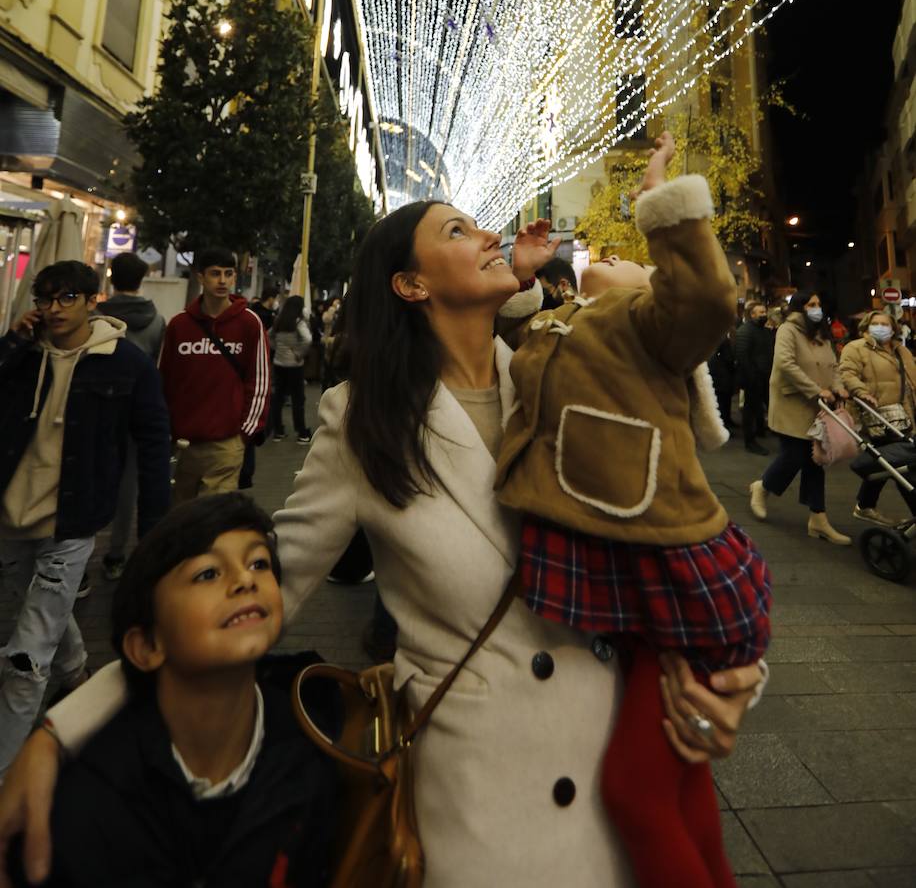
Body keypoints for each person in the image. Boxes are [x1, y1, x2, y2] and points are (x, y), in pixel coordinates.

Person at [0, 213, 765, 888]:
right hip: (483, 812)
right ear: (409, 284)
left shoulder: (565, 375)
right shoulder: (364, 420)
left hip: (623, 795)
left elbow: (674, 536)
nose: (491, 235)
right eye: (459, 232)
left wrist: (730, 680)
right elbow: (266, 584)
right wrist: (65, 727)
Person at [494, 134, 771, 888]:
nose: (609, 254)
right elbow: (520, 334)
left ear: (652, 290)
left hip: (669, 565)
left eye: (632, 259)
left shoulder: (651, 329)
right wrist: (522, 277)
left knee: (635, 790)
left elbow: (708, 296)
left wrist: (662, 197)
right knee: (684, 786)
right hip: (631, 569)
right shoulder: (566, 325)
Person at [9, 493, 335, 887]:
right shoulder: (86, 806)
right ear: (146, 646)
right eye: (207, 573)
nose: (246, 579)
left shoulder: (310, 751)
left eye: (259, 563)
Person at [0, 260, 171, 777]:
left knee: (26, 656)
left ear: (92, 300)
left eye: (66, 298)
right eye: (46, 297)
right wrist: (11, 342)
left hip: (73, 520)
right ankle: (77, 672)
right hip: (10, 515)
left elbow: (154, 439)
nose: (53, 309)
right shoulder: (24, 352)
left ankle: (5, 771)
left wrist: (155, 531)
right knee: (40, 608)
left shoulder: (124, 363)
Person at [158, 248, 270, 502]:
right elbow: (165, 379)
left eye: (228, 274)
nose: (222, 280)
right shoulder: (179, 325)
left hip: (226, 444)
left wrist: (244, 434)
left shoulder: (249, 323)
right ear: (201, 277)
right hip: (183, 444)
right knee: (181, 517)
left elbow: (260, 382)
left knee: (213, 517)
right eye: (215, 274)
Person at [750, 290, 851, 544]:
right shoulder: (788, 330)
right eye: (811, 304)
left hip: (819, 406)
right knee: (794, 455)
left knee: (816, 459)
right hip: (793, 404)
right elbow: (786, 364)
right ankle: (762, 487)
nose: (817, 308)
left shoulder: (821, 334)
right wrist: (816, 390)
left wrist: (838, 386)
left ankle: (818, 518)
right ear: (799, 307)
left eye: (818, 303)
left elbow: (833, 366)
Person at [98, 253, 167, 581]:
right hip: (139, 409)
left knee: (87, 476)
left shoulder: (95, 317)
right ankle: (116, 553)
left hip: (97, 406)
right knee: (129, 484)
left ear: (111, 278)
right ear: (142, 279)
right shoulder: (156, 320)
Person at [839, 309, 916, 525]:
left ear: (894, 329)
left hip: (904, 416)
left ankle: (865, 505)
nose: (881, 327)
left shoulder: (902, 351)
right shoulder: (855, 348)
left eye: (885, 324)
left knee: (885, 461)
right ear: (866, 326)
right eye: (876, 323)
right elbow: (846, 373)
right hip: (876, 417)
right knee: (903, 464)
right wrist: (861, 392)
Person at [268, 296, 312, 444]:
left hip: (279, 364)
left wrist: (278, 349)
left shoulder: (278, 321)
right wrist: (299, 353)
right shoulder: (298, 322)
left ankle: (278, 431)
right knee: (297, 399)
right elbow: (307, 339)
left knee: (278, 398)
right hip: (294, 365)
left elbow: (269, 337)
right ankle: (302, 433)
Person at [734, 301, 775, 457]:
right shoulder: (745, 331)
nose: (764, 314)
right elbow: (743, 357)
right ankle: (750, 441)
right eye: (760, 312)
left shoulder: (764, 331)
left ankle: (760, 430)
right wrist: (751, 377)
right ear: (752, 315)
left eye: (765, 311)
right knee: (750, 410)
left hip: (765, 377)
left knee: (764, 407)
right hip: (753, 379)